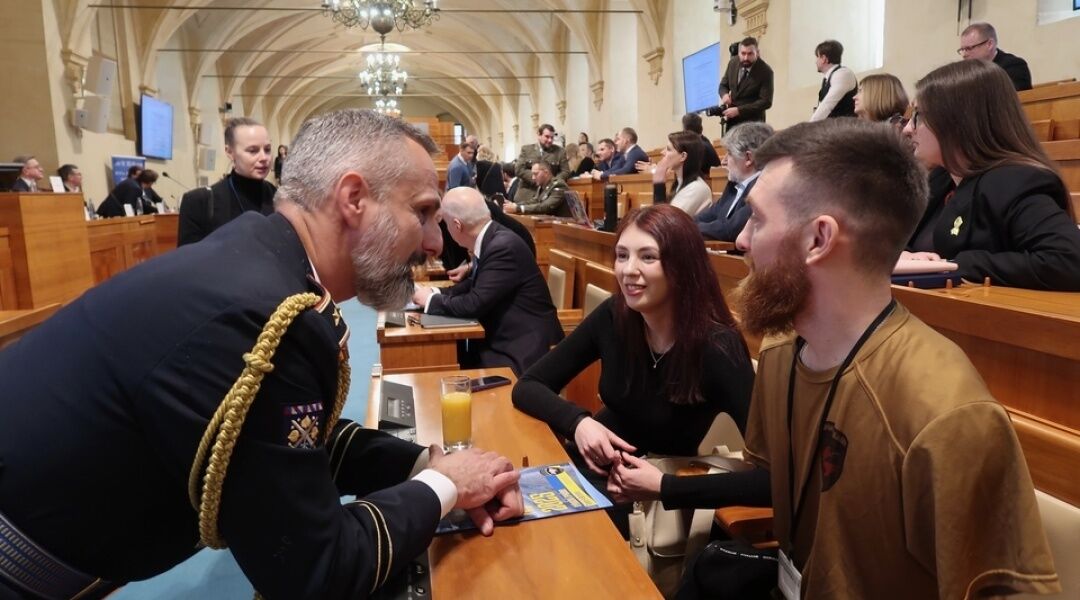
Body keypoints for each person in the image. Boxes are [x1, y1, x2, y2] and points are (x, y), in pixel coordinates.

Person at [0, 109, 524, 600]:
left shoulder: (266, 262)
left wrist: (420, 463)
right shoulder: (262, 315)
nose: (435, 242)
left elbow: (286, 440)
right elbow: (317, 571)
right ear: (354, 198)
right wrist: (444, 487)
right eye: (424, 213)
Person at [731, 117, 1059, 598]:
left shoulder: (944, 414)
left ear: (818, 240)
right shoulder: (781, 351)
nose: (740, 240)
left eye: (757, 218)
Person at [902, 59, 1080, 290]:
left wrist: (956, 265)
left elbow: (1069, 259)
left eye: (919, 116)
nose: (908, 129)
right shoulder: (941, 179)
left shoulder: (1012, 182)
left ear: (960, 122)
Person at [413, 187, 563, 375]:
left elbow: (474, 304)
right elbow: (476, 285)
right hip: (503, 338)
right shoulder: (491, 237)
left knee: (452, 370)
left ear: (457, 225)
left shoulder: (502, 246)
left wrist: (430, 301)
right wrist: (435, 293)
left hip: (523, 350)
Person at [178, 117, 276, 246]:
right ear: (230, 152)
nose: (264, 158)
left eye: (267, 149)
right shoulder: (199, 202)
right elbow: (188, 260)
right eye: (253, 151)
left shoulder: (280, 197)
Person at [695, 122, 773, 242]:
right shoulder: (733, 186)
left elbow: (729, 230)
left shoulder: (764, 188)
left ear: (748, 158)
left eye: (730, 154)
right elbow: (709, 215)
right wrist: (682, 225)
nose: (724, 161)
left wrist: (687, 228)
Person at [649, 131, 712, 216]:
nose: (662, 152)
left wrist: (659, 185)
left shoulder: (696, 188)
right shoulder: (680, 182)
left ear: (683, 156)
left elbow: (665, 223)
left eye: (668, 149)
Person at [717, 37, 774, 127]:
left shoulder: (766, 72)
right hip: (732, 122)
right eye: (743, 53)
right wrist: (724, 95)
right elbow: (723, 85)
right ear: (739, 53)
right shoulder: (733, 63)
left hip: (753, 124)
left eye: (750, 54)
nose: (746, 58)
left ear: (757, 53)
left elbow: (766, 101)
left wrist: (739, 110)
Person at [959, 21, 1031, 91]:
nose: (965, 54)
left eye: (969, 48)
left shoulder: (1014, 66)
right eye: (963, 49)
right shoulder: (966, 73)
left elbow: (1011, 98)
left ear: (990, 44)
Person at [513, 123, 570, 205]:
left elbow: (565, 171)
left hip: (547, 195)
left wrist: (551, 183)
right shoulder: (527, 149)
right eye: (547, 137)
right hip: (526, 194)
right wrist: (538, 178)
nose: (550, 140)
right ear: (539, 135)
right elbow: (519, 169)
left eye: (552, 137)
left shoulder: (560, 152)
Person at [808, 39, 857, 121]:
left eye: (817, 57)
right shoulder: (827, 79)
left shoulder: (843, 74)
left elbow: (827, 105)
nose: (815, 62)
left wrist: (808, 128)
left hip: (845, 129)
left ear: (824, 59)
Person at [503, 161, 569, 217]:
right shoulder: (542, 185)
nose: (533, 178)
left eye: (536, 174)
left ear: (546, 173)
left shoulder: (559, 185)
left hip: (561, 225)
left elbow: (546, 207)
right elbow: (535, 201)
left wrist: (519, 208)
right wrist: (514, 205)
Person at [97, 169, 161, 218]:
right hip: (110, 215)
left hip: (108, 213)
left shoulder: (132, 182)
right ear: (150, 182)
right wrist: (157, 211)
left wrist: (157, 210)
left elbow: (142, 205)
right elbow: (129, 208)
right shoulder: (135, 188)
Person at [682, 113, 722, 177]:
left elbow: (693, 172)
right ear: (701, 128)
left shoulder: (698, 146)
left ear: (685, 130)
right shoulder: (704, 141)